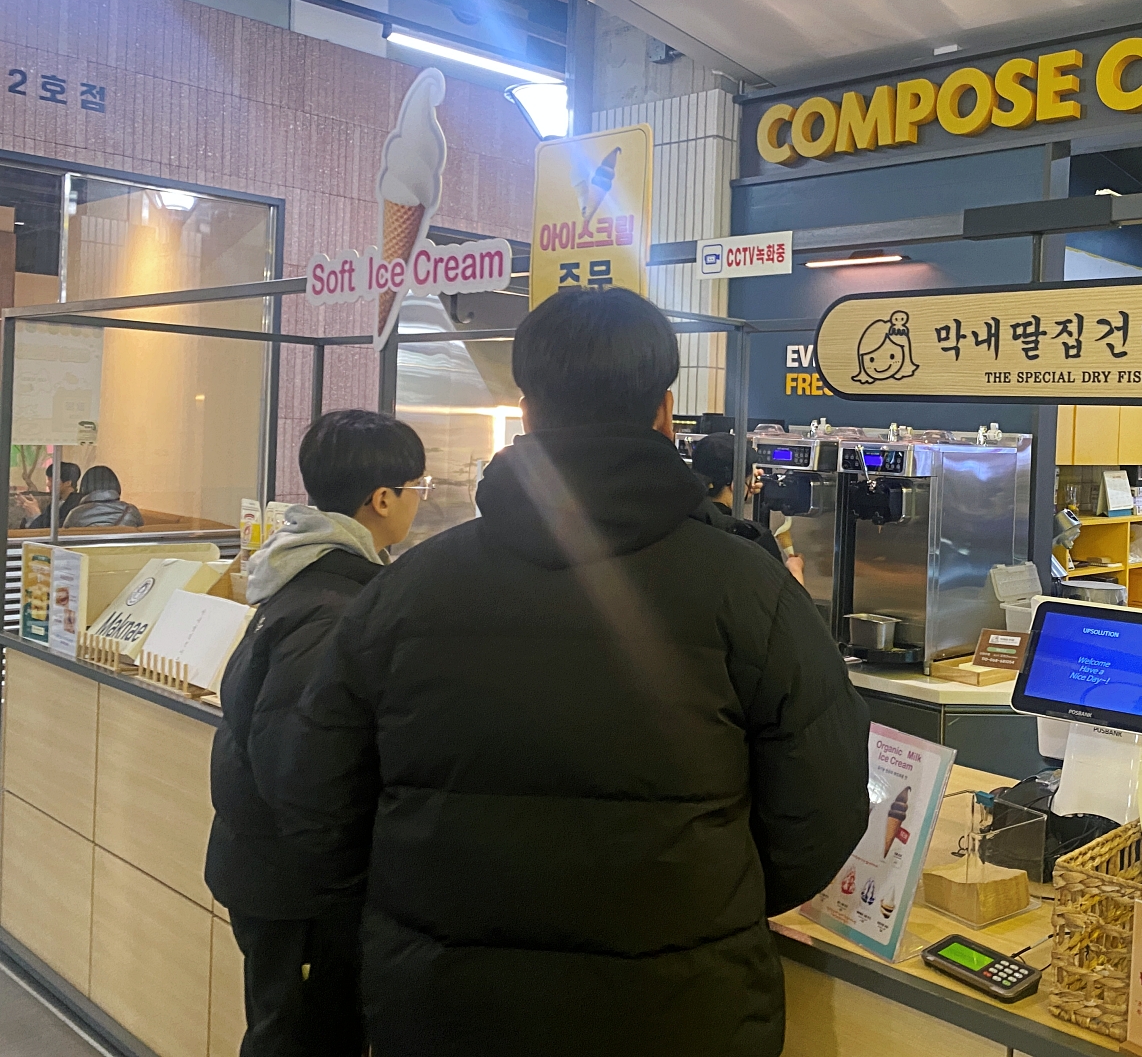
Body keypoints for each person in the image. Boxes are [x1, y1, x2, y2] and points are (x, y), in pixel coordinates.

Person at [265, 289, 870, 1057]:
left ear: (527, 411)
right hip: (681, 1012)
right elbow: (823, 813)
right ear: (665, 412)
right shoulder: (753, 592)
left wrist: (413, 912)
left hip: (447, 1010)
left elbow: (315, 799)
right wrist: (714, 892)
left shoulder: (404, 592)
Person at [206, 409, 427, 1057]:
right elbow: (300, 770)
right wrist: (347, 887)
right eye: (418, 486)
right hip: (297, 889)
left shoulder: (302, 573)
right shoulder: (334, 609)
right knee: (301, 1040)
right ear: (382, 498)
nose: (420, 500)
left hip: (275, 872)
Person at [689, 430, 802, 577]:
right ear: (735, 484)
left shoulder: (681, 522)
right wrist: (795, 569)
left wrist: (744, 485)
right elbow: (784, 591)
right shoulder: (753, 537)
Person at [61, 465, 142, 527]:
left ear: (84, 487)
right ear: (116, 485)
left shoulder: (75, 514)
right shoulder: (130, 511)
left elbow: (65, 538)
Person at [23, 461, 82, 529]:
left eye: (52, 481)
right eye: (48, 480)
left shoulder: (77, 505)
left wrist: (36, 513)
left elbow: (55, 531)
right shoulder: (55, 503)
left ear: (68, 483)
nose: (48, 484)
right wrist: (30, 514)